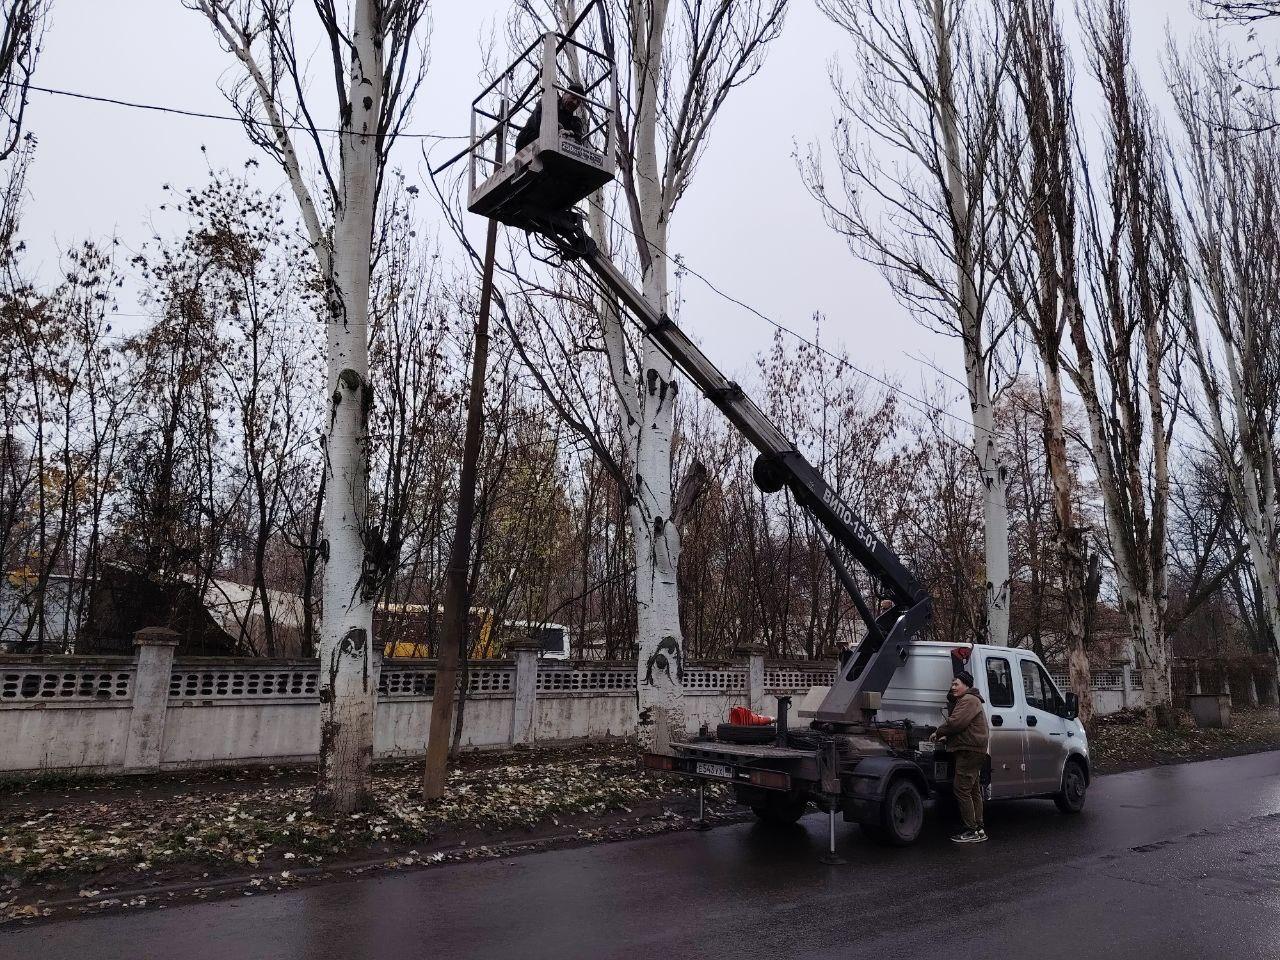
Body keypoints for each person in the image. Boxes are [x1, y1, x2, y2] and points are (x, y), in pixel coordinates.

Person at [931, 670, 990, 843]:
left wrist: (939, 731)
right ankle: (979, 829)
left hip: (969, 750)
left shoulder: (968, 700)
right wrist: (947, 737)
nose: (953, 687)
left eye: (956, 684)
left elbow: (956, 722)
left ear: (966, 685)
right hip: (974, 749)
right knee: (972, 790)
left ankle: (971, 830)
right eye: (952, 684)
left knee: (961, 789)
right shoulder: (971, 700)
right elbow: (964, 726)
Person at [515, 81, 587, 151]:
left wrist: (570, 136)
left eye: (578, 102)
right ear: (565, 94)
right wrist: (559, 128)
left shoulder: (574, 122)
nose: (575, 103)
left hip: (555, 151)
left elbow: (577, 143)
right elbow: (539, 122)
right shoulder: (549, 101)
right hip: (528, 141)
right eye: (573, 98)